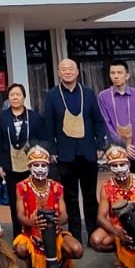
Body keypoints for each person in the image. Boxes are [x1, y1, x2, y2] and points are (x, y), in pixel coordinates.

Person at [41, 58, 107, 244]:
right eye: (64, 69)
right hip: (65, 154)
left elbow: (98, 121)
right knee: (70, 197)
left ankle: (93, 234)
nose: (68, 72)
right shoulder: (52, 95)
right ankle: (75, 235)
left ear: (77, 71)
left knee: (90, 196)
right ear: (59, 73)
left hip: (87, 151)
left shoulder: (88, 93)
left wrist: (100, 145)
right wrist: (52, 150)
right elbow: (49, 125)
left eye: (71, 69)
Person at [13, 145, 83, 268]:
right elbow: (20, 215)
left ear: (48, 167)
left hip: (55, 233)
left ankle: (59, 260)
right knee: (20, 249)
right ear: (29, 166)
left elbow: (65, 215)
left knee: (77, 250)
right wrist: (33, 222)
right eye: (36, 165)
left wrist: (57, 220)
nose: (40, 168)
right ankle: (32, 262)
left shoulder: (57, 187)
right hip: (32, 234)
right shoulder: (21, 187)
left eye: (43, 165)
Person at [0, 83, 48, 238]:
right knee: (14, 200)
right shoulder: (3, 117)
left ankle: (35, 233)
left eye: (18, 94)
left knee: (31, 198)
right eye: (12, 95)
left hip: (30, 165)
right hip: (10, 165)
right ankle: (18, 235)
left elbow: (42, 140)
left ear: (24, 97)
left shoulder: (34, 117)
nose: (15, 98)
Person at [98, 60, 135, 185]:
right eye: (112, 73)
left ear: (127, 75)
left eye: (119, 73)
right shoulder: (103, 96)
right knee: (122, 190)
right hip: (118, 155)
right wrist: (124, 146)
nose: (116, 76)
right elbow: (107, 125)